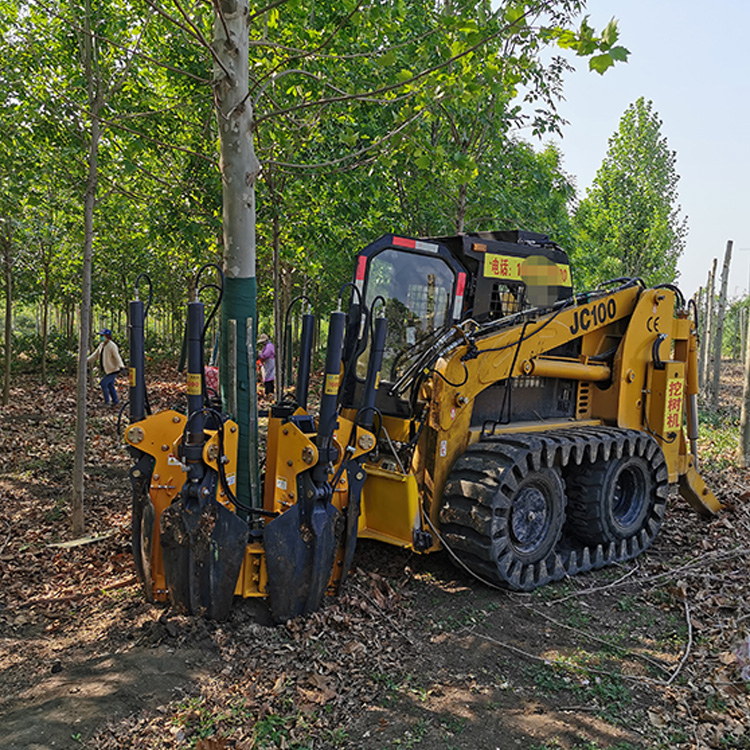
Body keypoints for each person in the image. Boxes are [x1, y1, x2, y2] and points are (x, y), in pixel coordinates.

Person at [87, 328, 125, 406]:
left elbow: (117, 357)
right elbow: (95, 355)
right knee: (110, 386)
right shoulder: (101, 345)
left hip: (113, 370)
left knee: (103, 384)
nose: (101, 337)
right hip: (106, 370)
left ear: (107, 336)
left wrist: (122, 367)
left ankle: (107, 402)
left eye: (102, 335)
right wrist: (85, 361)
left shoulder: (112, 346)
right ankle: (115, 401)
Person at [258, 333, 275, 397]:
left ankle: (269, 393)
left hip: (270, 364)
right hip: (267, 364)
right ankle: (269, 393)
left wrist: (260, 356)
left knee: (269, 380)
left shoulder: (269, 346)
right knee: (267, 379)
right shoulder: (267, 346)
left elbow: (266, 355)